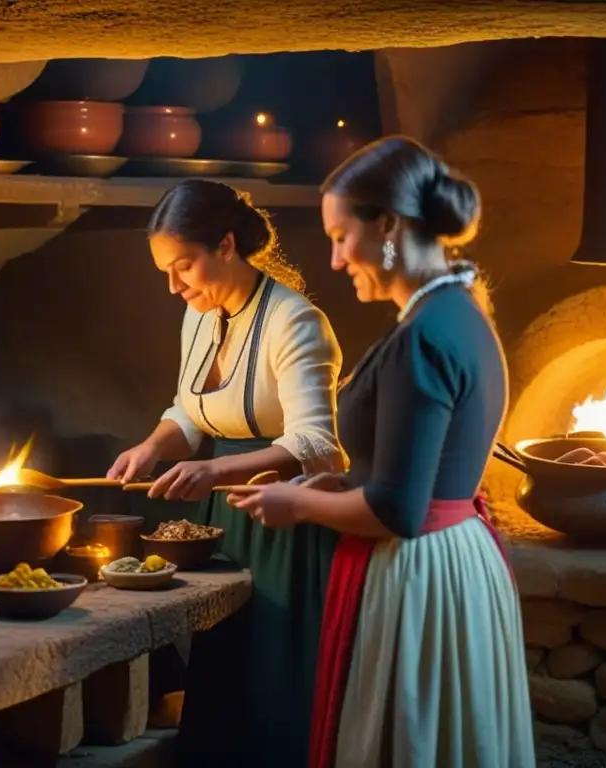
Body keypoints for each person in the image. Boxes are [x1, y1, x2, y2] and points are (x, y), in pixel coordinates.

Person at [229, 137, 535, 768]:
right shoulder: (459, 311)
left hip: (418, 573)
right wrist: (334, 488)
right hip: (456, 561)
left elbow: (397, 508)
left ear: (389, 226)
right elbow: (412, 474)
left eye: (342, 237)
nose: (337, 260)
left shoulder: (423, 337)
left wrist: (297, 504)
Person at [106, 179, 344, 767]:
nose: (173, 285)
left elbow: (318, 444)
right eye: (165, 270)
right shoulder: (199, 317)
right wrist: (152, 446)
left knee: (271, 678)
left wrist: (216, 470)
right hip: (223, 522)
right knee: (222, 670)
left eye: (183, 266)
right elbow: (190, 410)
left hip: (283, 523)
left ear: (228, 245)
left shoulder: (295, 320)